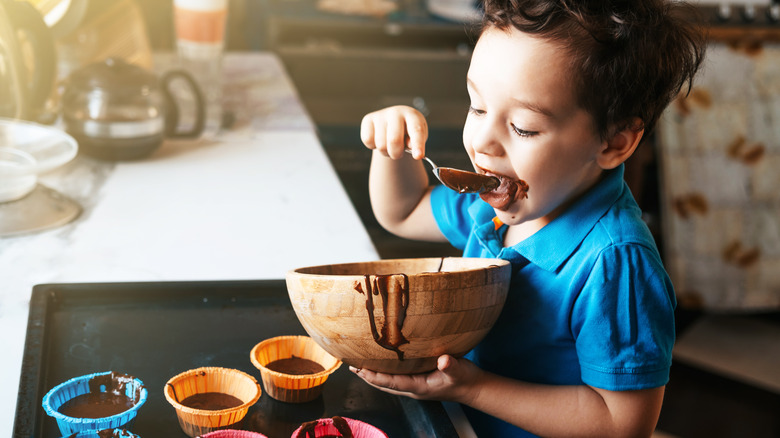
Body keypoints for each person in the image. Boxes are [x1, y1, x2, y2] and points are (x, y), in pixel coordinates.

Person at [353, 0, 706, 436]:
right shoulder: (495, 211)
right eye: (477, 107)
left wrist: (472, 389)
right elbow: (403, 212)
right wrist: (390, 148)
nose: (482, 141)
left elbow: (622, 424)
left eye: (523, 127)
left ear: (614, 142)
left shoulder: (615, 265)